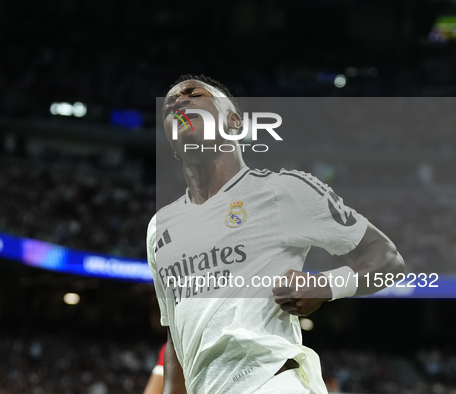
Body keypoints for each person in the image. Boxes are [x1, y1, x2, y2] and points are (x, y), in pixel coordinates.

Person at [146, 75, 405, 394]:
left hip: (272, 382)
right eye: (169, 105)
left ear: (233, 122)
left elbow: (388, 260)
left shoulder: (284, 190)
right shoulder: (159, 226)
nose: (178, 102)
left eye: (193, 93)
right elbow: (175, 333)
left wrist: (324, 284)